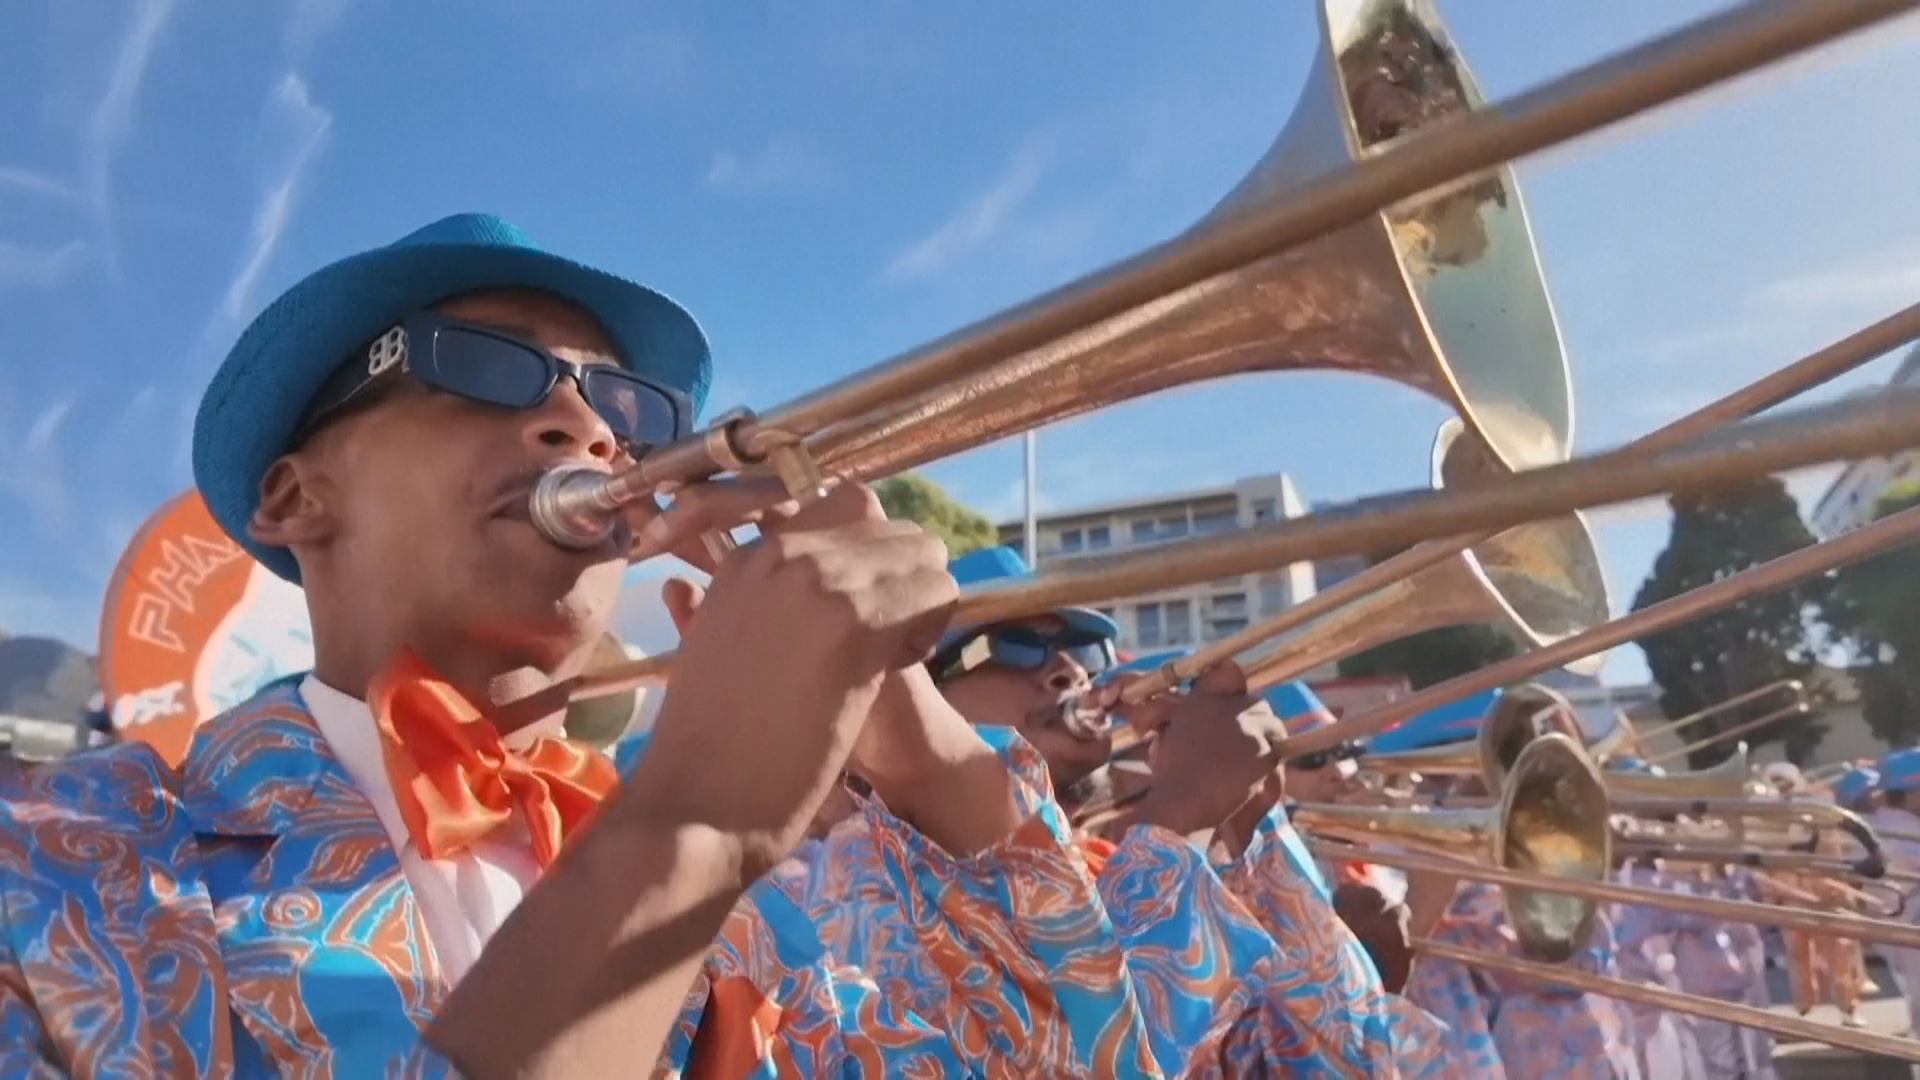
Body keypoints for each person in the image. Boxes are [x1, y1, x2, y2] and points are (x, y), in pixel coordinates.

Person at [0, 215, 1129, 1077]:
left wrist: (915, 736)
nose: (587, 427)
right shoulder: (56, 867)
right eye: (482, 365)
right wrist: (690, 826)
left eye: (625, 406)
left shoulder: (775, 914)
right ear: (294, 498)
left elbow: (1085, 1054)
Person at [921, 546, 1464, 1075]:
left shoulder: (1100, 871)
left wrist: (1254, 837)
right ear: (918, 697)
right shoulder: (878, 882)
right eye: (1013, 645)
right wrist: (1184, 811)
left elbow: (1348, 1062)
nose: (1070, 671)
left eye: (1086, 653)